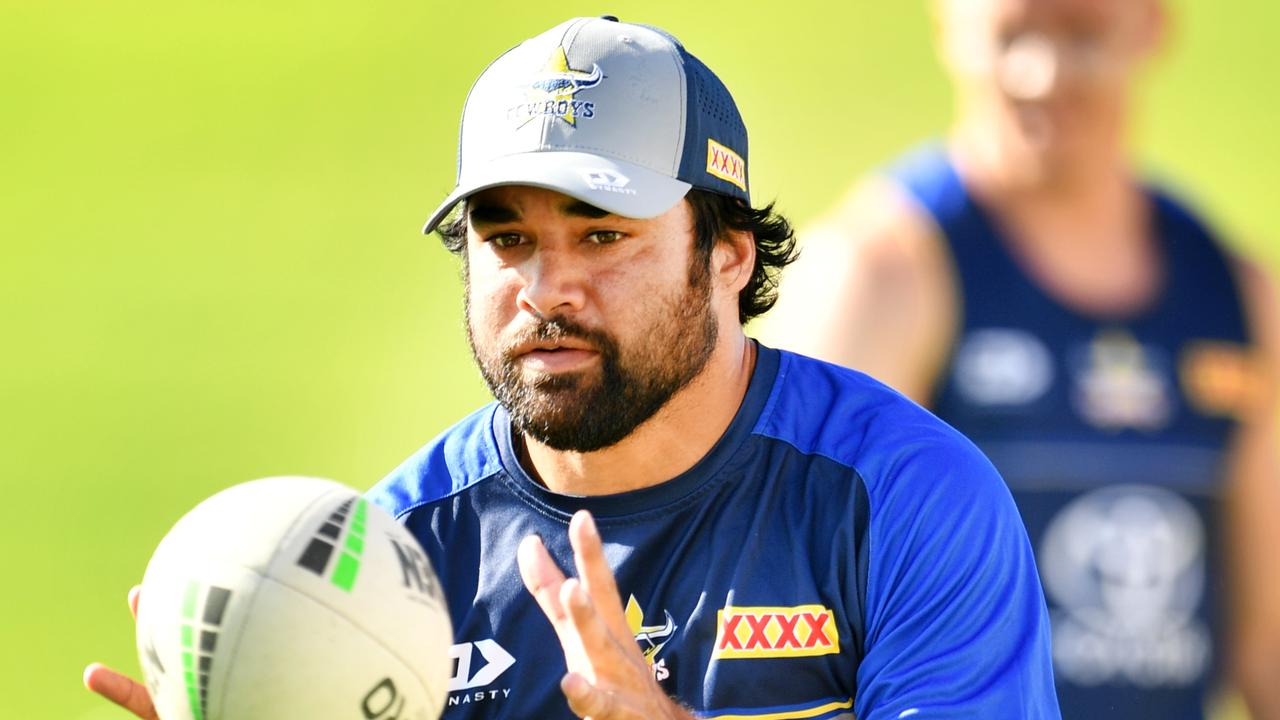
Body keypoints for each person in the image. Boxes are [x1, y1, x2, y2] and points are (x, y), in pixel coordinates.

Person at [84, 16, 1061, 719]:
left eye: (601, 235)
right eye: (506, 239)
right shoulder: (390, 570)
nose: (545, 290)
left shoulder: (903, 500)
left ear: (727, 254)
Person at [761, 1, 1280, 718]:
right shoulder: (878, 278)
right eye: (1012, 36)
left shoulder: (1238, 296)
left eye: (1083, 35)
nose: (1043, 73)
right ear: (947, 25)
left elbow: (1268, 649)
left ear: (1153, 24)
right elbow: (787, 622)